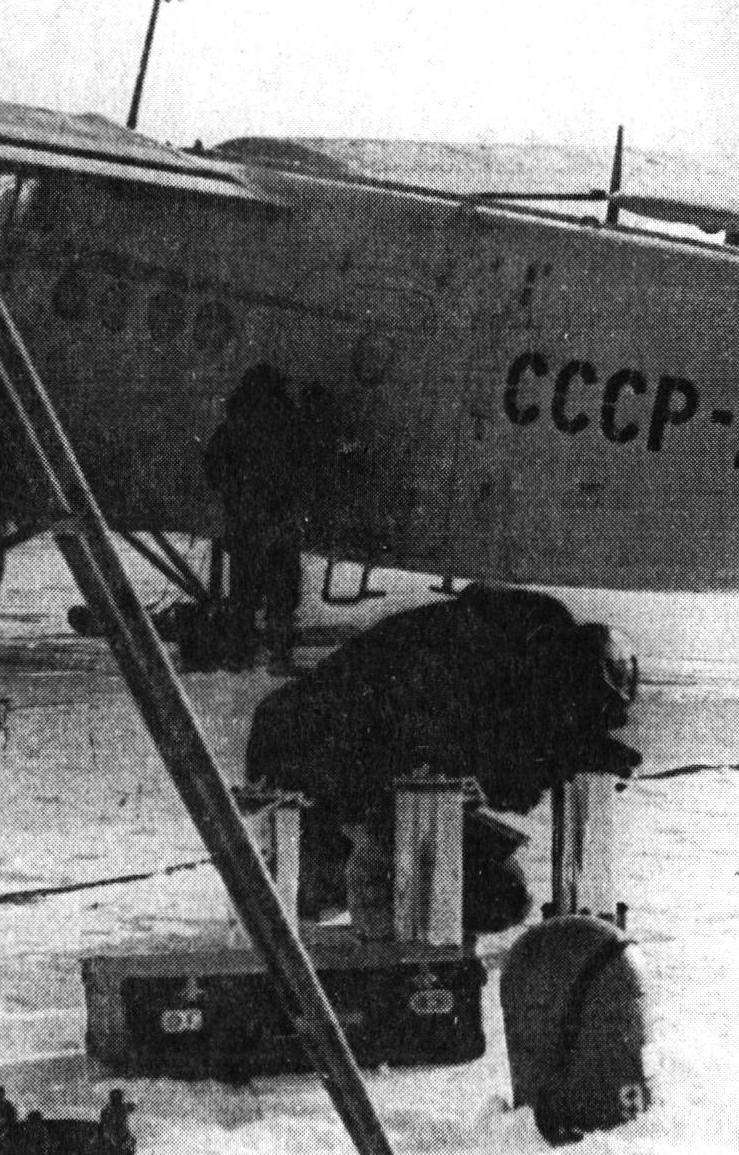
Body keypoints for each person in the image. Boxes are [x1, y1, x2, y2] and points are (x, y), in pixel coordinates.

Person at [245, 584, 641, 938]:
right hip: (305, 758)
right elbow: (491, 778)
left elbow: (505, 748)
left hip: (361, 765)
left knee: (496, 893)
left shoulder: (526, 649)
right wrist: (559, 759)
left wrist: (574, 750)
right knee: (316, 899)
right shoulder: (459, 662)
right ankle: (391, 948)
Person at [202, 364, 306, 666]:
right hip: (280, 522)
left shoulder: (234, 427)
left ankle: (240, 650)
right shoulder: (290, 426)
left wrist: (235, 494)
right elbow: (303, 471)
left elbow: (213, 470)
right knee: (281, 592)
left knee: (244, 592)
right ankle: (280, 651)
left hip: (245, 522)